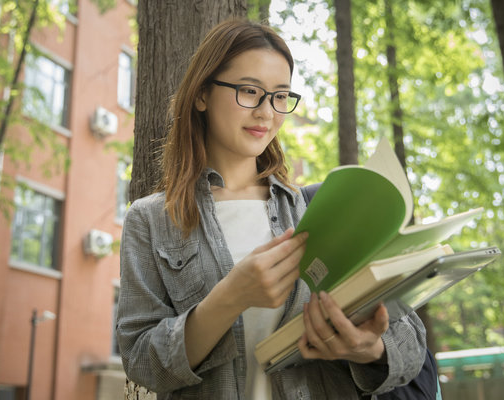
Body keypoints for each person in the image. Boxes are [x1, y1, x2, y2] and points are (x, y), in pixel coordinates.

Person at [116, 19, 427, 400]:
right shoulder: (150, 220)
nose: (267, 112)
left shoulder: (317, 210)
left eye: (280, 96)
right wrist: (230, 296)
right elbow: (141, 362)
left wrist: (368, 349)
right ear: (201, 95)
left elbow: (411, 349)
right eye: (250, 91)